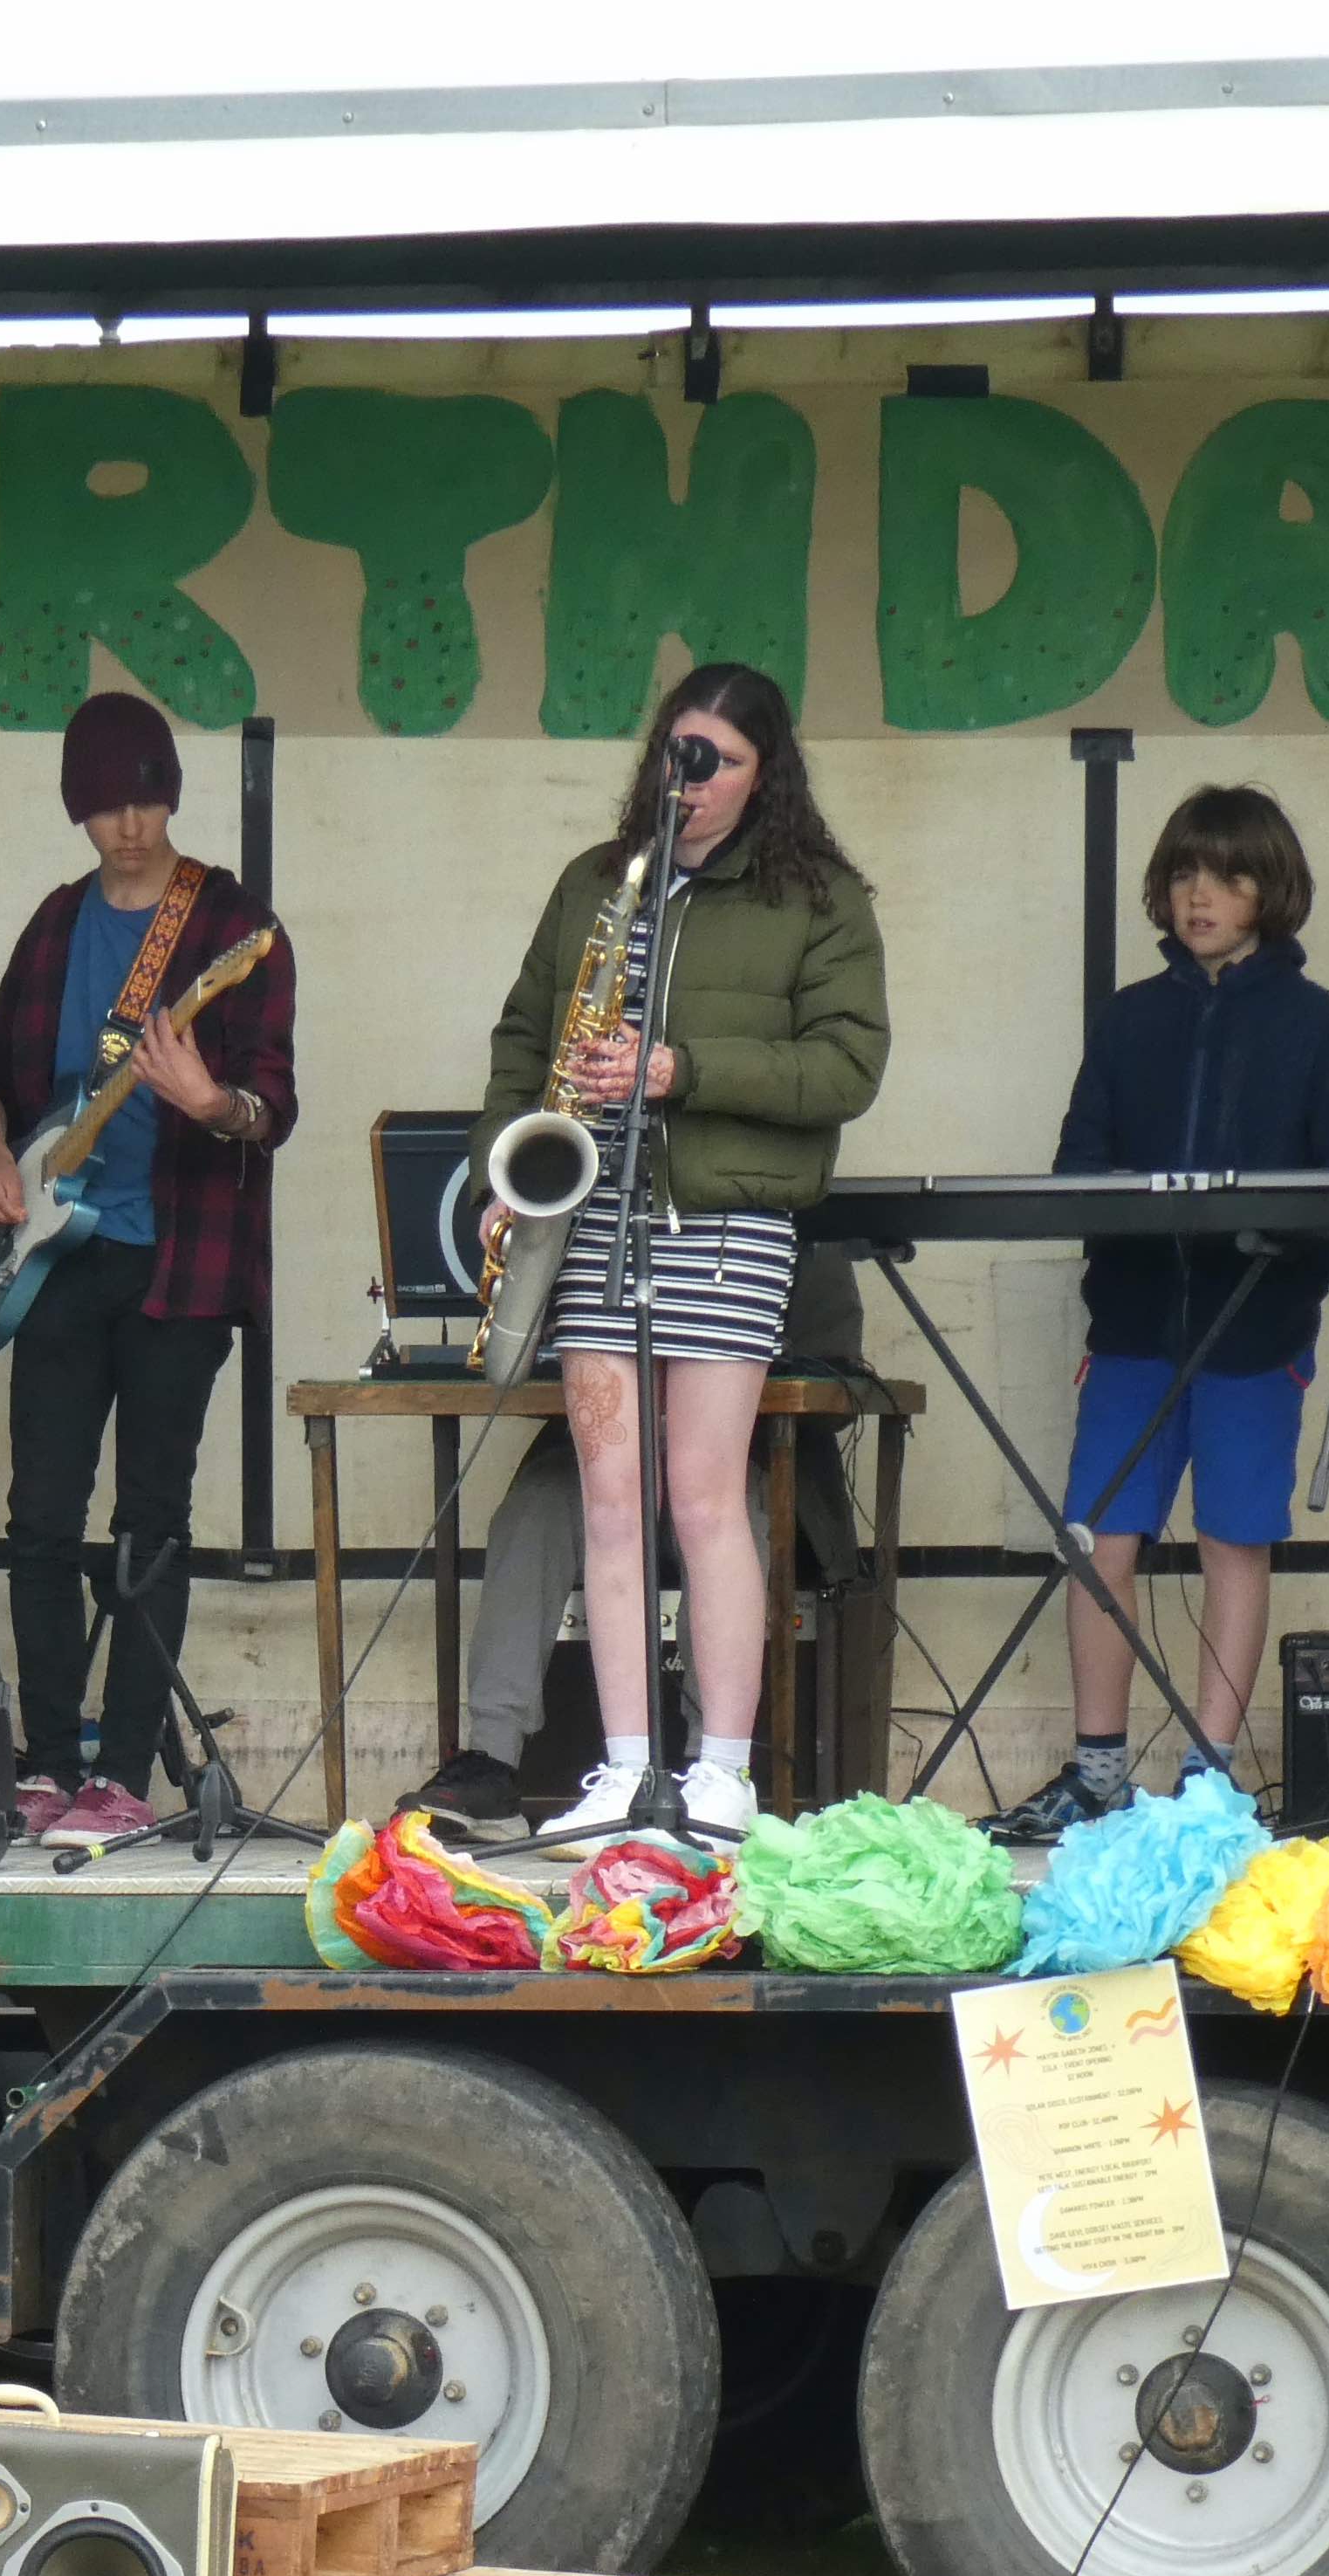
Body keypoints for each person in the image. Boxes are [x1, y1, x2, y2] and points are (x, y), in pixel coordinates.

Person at [476, 662, 888, 1847]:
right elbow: (522, 1039)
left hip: (727, 1221)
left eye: (718, 763)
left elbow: (848, 1068)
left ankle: (720, 1771)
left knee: (705, 1499)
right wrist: (504, 1163)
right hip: (592, 1210)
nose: (691, 782)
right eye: (678, 755)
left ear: (769, 776)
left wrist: (678, 1069)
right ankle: (622, 1766)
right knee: (609, 1502)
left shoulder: (818, 899)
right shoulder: (596, 885)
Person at [994, 787, 1329, 1840]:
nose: (1200, 895)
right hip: (1131, 1334)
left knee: (1232, 1541)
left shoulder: (1321, 1025)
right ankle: (1100, 1769)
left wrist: (1284, 1276)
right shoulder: (1130, 1018)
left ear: (1272, 890)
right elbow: (1081, 1168)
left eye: (1228, 876)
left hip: (1256, 1339)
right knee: (1099, 1538)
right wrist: (1114, 1272)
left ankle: (1208, 1784)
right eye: (1183, 875)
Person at [0, 694, 298, 1846]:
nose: (131, 825)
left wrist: (213, 1102)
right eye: (107, 805)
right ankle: (49, 1764)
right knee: (41, 1516)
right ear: (78, 809)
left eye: (147, 798)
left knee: (153, 1516)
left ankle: (124, 1780)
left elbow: (272, 1107)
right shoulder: (56, 924)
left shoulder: (235, 928)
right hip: (53, 1261)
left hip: (176, 1268)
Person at [410, 1247, 868, 1824]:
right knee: (534, 1509)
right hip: (608, 1469)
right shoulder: (585, 1224)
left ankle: (715, 1769)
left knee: (736, 1511)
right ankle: (491, 1764)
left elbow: (836, 1381)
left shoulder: (789, 1224)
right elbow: (521, 1363)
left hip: (741, 1457)